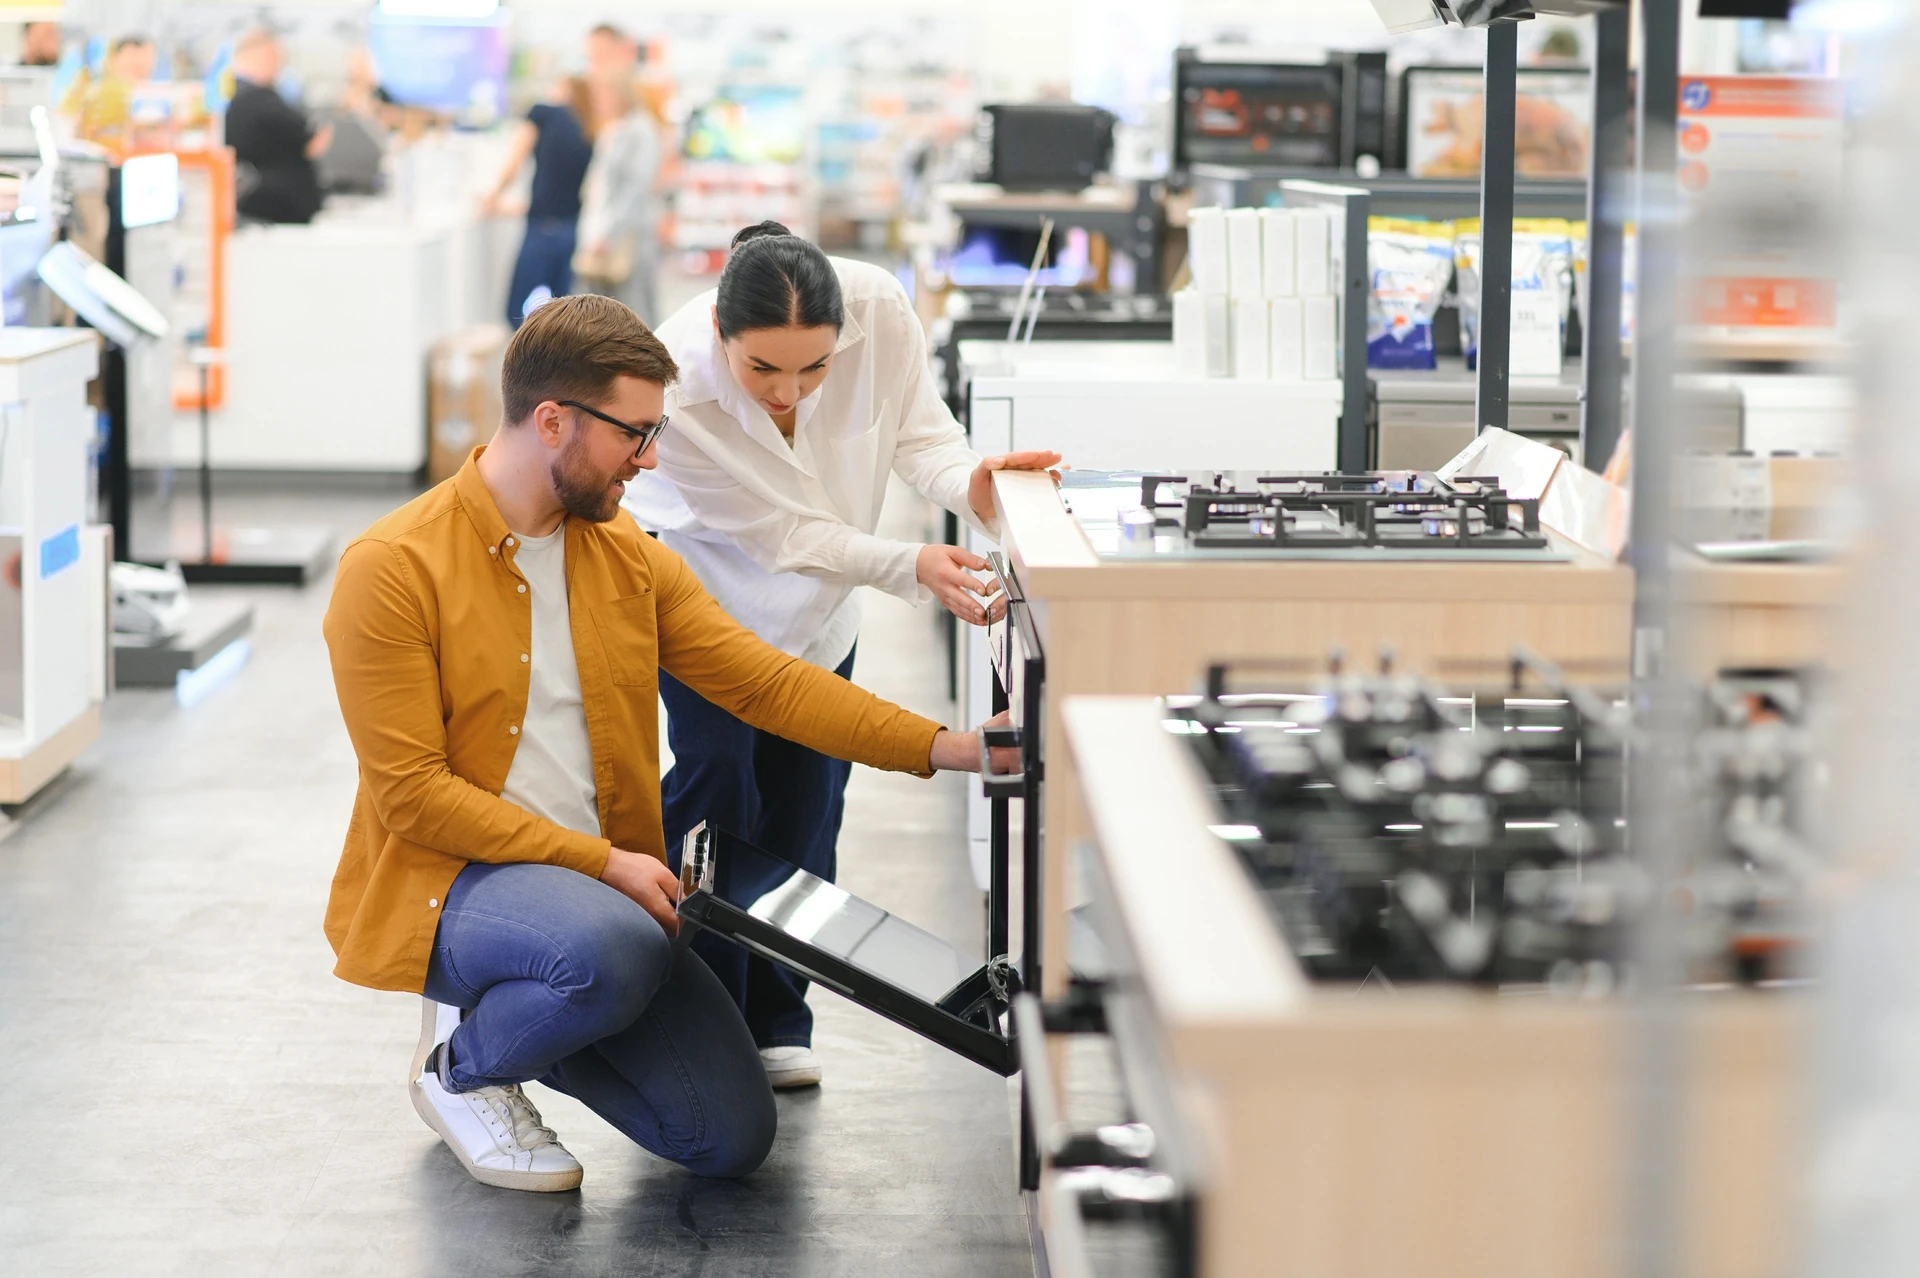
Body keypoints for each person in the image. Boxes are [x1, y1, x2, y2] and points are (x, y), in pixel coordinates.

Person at [323, 293, 1008, 1193]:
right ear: (554, 420)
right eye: (634, 436)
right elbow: (414, 797)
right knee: (614, 951)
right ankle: (462, 1066)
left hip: (595, 903)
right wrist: (603, 864)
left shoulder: (627, 558)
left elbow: (765, 683)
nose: (647, 463)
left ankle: (543, 1010)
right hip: (451, 885)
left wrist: (949, 747)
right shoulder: (394, 568)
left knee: (728, 1136)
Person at [624, 223, 1061, 1088]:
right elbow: (781, 532)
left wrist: (975, 483)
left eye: (814, 369)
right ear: (719, 330)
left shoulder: (878, 310)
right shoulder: (673, 383)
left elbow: (920, 436)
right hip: (710, 600)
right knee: (717, 791)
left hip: (825, 610)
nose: (790, 392)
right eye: (764, 371)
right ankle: (698, 1015)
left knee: (808, 807)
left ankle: (781, 1017)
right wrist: (910, 565)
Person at [483, 76, 596, 328]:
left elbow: (515, 160)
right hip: (570, 229)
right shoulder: (589, 127)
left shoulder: (543, 113)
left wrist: (493, 196)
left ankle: (524, 364)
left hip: (542, 228)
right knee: (562, 317)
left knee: (514, 311)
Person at [576, 53, 663, 322]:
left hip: (626, 237)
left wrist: (609, 233)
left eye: (603, 92)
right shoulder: (612, 130)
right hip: (600, 234)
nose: (598, 100)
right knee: (601, 314)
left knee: (633, 311)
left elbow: (635, 187)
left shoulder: (639, 130)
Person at [225, 29, 331, 225]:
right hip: (278, 209)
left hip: (268, 207)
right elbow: (311, 139)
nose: (278, 67)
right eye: (275, 59)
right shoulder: (258, 100)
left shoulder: (241, 99)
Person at [73, 34, 156, 161]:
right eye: (133, 62)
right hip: (104, 159)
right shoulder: (100, 89)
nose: (142, 68)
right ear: (114, 59)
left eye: (146, 65)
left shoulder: (150, 96)